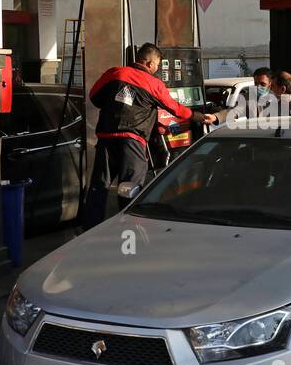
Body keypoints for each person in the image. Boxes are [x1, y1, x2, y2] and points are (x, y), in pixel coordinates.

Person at [82, 43, 210, 228]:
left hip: (106, 137)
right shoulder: (153, 83)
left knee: (99, 185)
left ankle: (90, 228)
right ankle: (128, 230)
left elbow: (94, 97)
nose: (158, 68)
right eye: (158, 64)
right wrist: (199, 116)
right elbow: (175, 109)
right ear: (149, 63)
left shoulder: (114, 73)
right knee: (130, 187)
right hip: (133, 141)